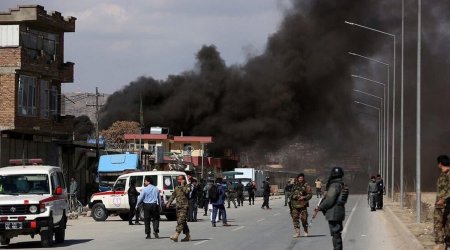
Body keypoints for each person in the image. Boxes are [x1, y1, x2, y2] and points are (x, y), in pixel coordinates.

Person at [315, 166, 347, 250]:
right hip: (339, 212)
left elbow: (329, 200)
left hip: (334, 213)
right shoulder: (341, 184)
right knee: (337, 234)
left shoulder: (334, 185)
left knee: (335, 234)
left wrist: (320, 207)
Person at [166, 175, 191, 242]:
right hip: (178, 207)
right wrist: (169, 202)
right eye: (178, 180)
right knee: (183, 222)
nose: (178, 181)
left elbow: (187, 192)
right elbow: (173, 195)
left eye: (180, 179)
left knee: (180, 221)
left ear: (183, 180)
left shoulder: (187, 186)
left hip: (184, 207)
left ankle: (176, 235)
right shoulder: (177, 187)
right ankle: (187, 236)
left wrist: (182, 185)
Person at [433, 155, 450, 249]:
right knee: (439, 223)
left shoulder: (449, 174)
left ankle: (444, 244)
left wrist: (443, 199)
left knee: (446, 225)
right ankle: (441, 243)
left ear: (440, 163)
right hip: (440, 205)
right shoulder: (443, 174)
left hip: (446, 204)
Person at [290, 173, 312, 237]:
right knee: (295, 218)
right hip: (294, 205)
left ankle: (305, 230)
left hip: (303, 205)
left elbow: (310, 194)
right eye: (299, 178)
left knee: (304, 219)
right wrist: (295, 196)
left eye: (301, 178)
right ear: (297, 178)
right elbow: (291, 194)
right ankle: (297, 232)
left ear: (303, 178)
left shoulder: (306, 185)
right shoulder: (294, 185)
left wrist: (304, 197)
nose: (300, 179)